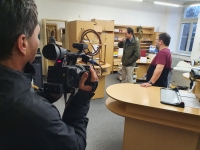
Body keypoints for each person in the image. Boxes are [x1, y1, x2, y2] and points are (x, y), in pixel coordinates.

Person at [0, 1, 98, 150]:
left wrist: (47, 96)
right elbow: (76, 144)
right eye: (37, 35)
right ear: (23, 43)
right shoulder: (37, 114)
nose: (38, 41)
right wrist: (82, 99)